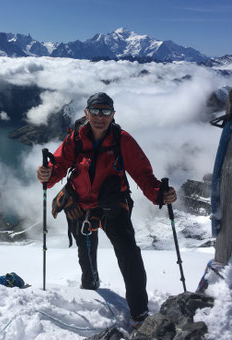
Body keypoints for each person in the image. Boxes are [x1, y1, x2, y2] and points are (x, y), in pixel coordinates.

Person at [37, 92, 176, 325]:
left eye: (105, 111)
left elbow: (143, 174)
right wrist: (47, 175)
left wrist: (159, 194)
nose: (100, 116)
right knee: (86, 252)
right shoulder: (76, 139)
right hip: (80, 206)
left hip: (114, 206)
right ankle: (90, 291)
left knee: (129, 254)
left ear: (113, 115)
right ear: (86, 113)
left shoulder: (123, 140)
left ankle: (139, 311)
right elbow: (59, 166)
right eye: (95, 111)